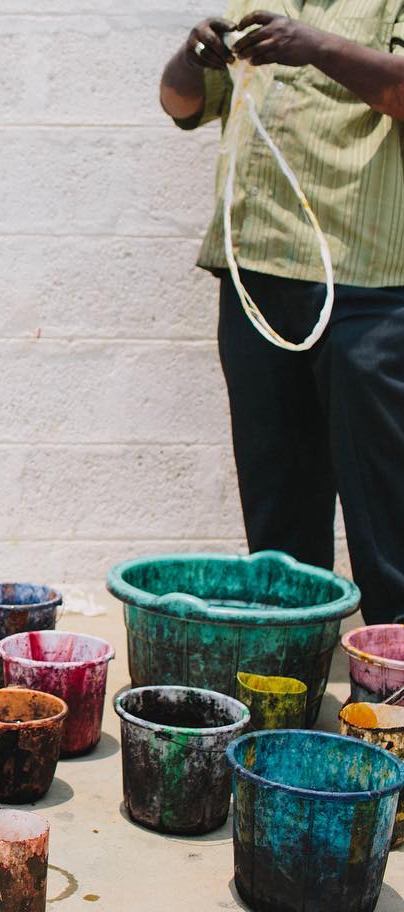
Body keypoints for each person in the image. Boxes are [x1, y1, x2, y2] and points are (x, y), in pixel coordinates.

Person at [160, 4, 404, 624]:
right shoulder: (258, 2)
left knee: (385, 500)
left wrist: (317, 47)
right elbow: (179, 105)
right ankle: (294, 659)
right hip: (254, 272)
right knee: (278, 502)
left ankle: (394, 670)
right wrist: (192, 54)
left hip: (365, 279)